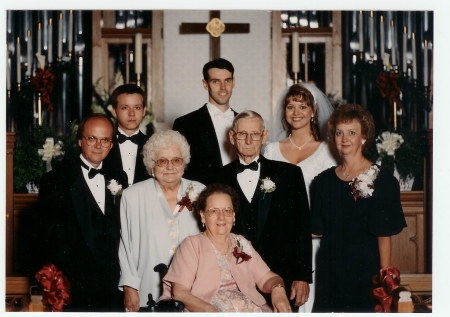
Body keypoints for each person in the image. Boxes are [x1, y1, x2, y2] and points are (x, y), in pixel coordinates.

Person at [210, 110, 312, 310]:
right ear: (232, 137)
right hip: (232, 279)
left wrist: (302, 276)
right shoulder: (216, 178)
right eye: (242, 134)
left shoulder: (289, 174)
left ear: (264, 136)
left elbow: (302, 227)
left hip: (282, 278)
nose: (248, 140)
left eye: (255, 134)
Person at [310, 104, 407, 312]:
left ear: (364, 137)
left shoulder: (383, 181)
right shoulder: (322, 182)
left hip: (365, 273)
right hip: (330, 272)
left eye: (351, 133)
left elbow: (384, 236)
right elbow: (315, 230)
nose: (344, 139)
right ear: (333, 138)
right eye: (339, 133)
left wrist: (384, 281)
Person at [263, 84, 338, 312]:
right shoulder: (271, 151)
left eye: (303, 106)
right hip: (281, 245)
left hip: (315, 242)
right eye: (290, 106)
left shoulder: (328, 151)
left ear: (313, 110)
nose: (296, 112)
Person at [36, 113, 123, 311]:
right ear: (79, 141)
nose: (98, 145)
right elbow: (44, 239)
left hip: (114, 287)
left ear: (111, 144)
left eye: (105, 139)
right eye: (92, 138)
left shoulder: (119, 178)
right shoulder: (55, 181)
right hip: (73, 288)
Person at [159, 183, 291, 312]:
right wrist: (209, 310)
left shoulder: (241, 242)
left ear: (233, 216)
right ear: (203, 216)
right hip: (207, 309)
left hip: (251, 308)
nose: (221, 217)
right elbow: (180, 292)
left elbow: (267, 278)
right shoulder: (192, 245)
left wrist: (277, 288)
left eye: (227, 210)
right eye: (214, 211)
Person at [118, 130, 205, 311]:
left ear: (184, 163)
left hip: (194, 289)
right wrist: (130, 287)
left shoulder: (201, 191)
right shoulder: (132, 196)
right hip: (148, 288)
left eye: (176, 160)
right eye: (162, 161)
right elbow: (126, 245)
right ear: (151, 165)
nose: (170, 166)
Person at [173, 58, 238, 184]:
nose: (223, 87)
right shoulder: (185, 123)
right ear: (205, 84)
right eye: (215, 81)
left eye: (227, 80)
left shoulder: (246, 121)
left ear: (233, 82)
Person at [103, 84, 152, 189]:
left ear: (144, 111)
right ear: (114, 111)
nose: (132, 113)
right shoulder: (102, 144)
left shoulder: (153, 144)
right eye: (125, 108)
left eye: (137, 108)